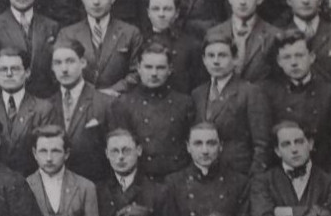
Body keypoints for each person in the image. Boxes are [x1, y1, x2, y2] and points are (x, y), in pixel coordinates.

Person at [161, 122, 251, 216]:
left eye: (211, 143)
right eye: (198, 143)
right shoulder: (173, 183)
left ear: (221, 146)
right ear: (188, 147)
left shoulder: (239, 182)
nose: (205, 150)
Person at [108, 43, 196, 179]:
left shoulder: (184, 103)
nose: (154, 73)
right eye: (148, 67)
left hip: (175, 180)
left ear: (170, 69)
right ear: (138, 68)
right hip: (140, 181)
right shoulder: (122, 104)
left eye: (160, 68)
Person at [192, 34, 272, 177]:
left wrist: (253, 178)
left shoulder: (250, 92)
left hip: (238, 173)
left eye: (222, 55)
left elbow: (262, 145)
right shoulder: (198, 93)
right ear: (204, 60)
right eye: (211, 56)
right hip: (205, 175)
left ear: (235, 60)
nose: (216, 61)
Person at [265, 31, 331, 175]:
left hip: (321, 172)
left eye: (299, 55)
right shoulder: (268, 93)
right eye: (287, 57)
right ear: (279, 62)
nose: (294, 62)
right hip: (282, 174)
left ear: (311, 57)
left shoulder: (330, 93)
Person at [98, 127, 174, 216]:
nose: (120, 156)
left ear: (138, 151)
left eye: (126, 150)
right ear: (106, 154)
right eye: (114, 151)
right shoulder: (98, 192)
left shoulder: (158, 192)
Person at [56, 0, 142, 94]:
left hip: (117, 102)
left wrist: (112, 91)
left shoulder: (130, 33)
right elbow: (60, 70)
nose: (96, 2)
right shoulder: (67, 34)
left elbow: (137, 72)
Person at [26, 125, 100, 216]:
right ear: (34, 153)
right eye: (43, 151)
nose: (49, 158)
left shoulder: (85, 187)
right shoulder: (25, 186)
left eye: (55, 151)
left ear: (66, 153)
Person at [47, 37, 116, 184]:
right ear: (52, 67)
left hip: (95, 184)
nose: (64, 69)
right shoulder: (46, 105)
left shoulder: (105, 103)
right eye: (58, 63)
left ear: (83, 63)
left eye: (70, 61)